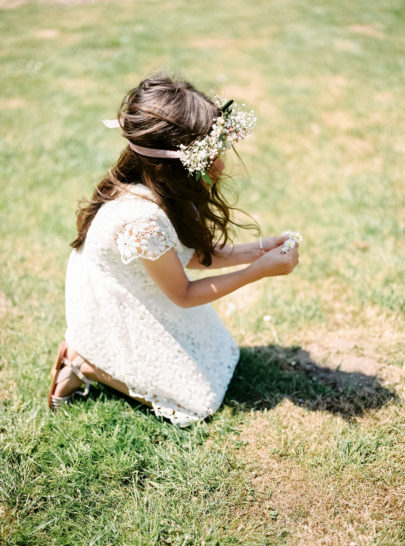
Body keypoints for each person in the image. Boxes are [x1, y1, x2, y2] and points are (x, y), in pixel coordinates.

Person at [48, 74, 299, 427]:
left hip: (147, 278)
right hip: (118, 295)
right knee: (198, 403)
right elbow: (182, 293)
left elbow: (188, 253)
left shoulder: (165, 186)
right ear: (175, 164)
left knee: (222, 358)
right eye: (211, 156)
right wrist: (256, 272)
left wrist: (258, 250)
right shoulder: (141, 219)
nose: (222, 165)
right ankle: (84, 360)